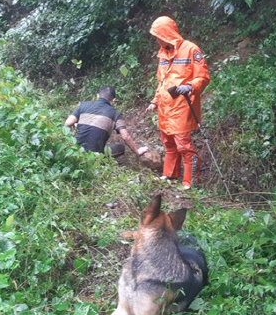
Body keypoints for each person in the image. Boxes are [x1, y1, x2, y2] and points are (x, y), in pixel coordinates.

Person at [146, 16, 210, 189]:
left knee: (184, 145)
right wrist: (155, 101)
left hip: (182, 106)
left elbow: (203, 76)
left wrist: (189, 86)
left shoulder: (190, 49)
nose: (157, 40)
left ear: (167, 34)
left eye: (158, 36)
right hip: (165, 107)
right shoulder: (163, 53)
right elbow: (162, 82)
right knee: (169, 143)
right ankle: (170, 174)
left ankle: (190, 181)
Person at [65, 86, 148, 158]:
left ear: (97, 95)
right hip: (95, 156)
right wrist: (137, 151)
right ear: (113, 100)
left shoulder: (84, 104)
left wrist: (75, 126)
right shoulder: (114, 113)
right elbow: (126, 136)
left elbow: (68, 123)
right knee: (120, 147)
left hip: (76, 150)